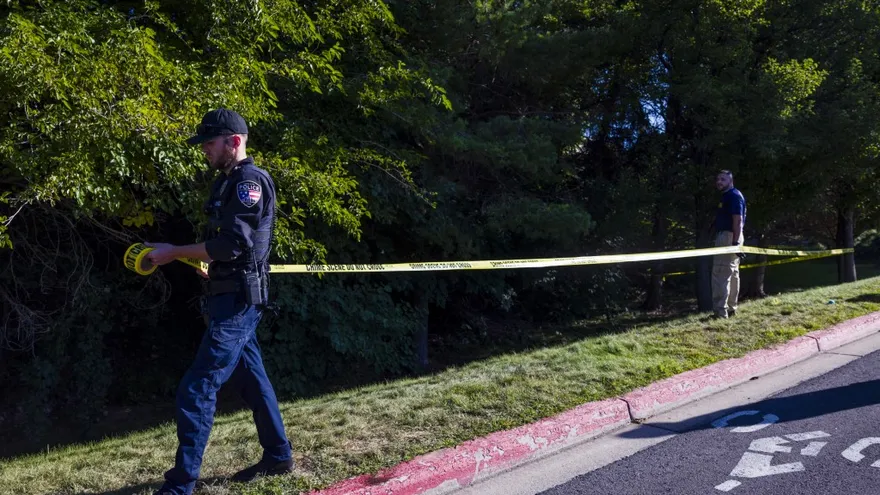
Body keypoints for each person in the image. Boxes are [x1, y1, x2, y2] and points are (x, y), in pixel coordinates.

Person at [145, 108, 294, 495]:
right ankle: (278, 456)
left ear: (234, 141)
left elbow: (233, 243)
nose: (204, 151)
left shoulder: (249, 182)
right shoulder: (226, 183)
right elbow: (229, 250)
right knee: (253, 380)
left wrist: (174, 251)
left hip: (240, 302)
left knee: (197, 387)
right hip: (229, 293)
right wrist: (210, 266)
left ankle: (180, 486)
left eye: (209, 143)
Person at [711, 170, 747, 319]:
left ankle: (720, 312)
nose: (719, 182)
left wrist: (735, 242)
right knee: (732, 273)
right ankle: (731, 309)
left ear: (731, 181)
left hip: (729, 237)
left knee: (721, 273)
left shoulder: (733, 196)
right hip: (733, 236)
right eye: (718, 179)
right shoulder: (730, 195)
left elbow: (737, 220)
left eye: (723, 179)